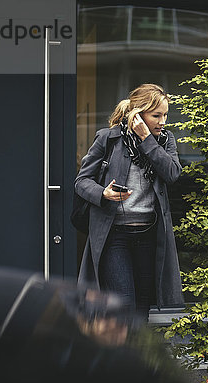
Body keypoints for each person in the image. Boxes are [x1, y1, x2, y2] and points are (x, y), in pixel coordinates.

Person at [75, 83, 183, 321]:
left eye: (165, 115)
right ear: (138, 114)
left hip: (149, 235)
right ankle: (123, 356)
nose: (162, 121)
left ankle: (134, 356)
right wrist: (104, 193)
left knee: (142, 308)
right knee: (124, 305)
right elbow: (82, 181)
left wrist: (147, 139)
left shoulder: (165, 141)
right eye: (156, 115)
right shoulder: (109, 138)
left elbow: (173, 173)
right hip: (115, 236)